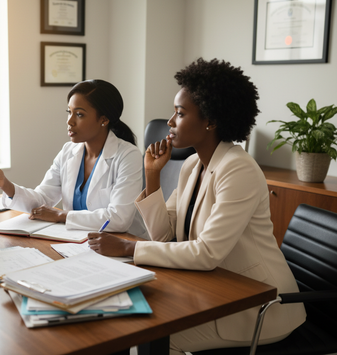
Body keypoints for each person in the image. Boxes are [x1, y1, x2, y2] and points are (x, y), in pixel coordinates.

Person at [87, 58, 306, 353]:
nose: (169, 122)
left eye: (179, 113)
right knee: (129, 322)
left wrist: (127, 248)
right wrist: (153, 174)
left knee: (152, 338)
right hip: (213, 287)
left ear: (210, 121)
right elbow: (164, 236)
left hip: (256, 305)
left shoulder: (238, 169)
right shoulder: (192, 164)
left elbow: (206, 253)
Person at [0, 79, 146, 237]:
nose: (70, 121)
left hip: (122, 245)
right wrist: (5, 185)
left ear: (103, 120)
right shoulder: (69, 151)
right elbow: (42, 200)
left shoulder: (128, 156)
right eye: (69, 112)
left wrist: (61, 215)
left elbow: (119, 219)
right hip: (80, 241)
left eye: (79, 114)